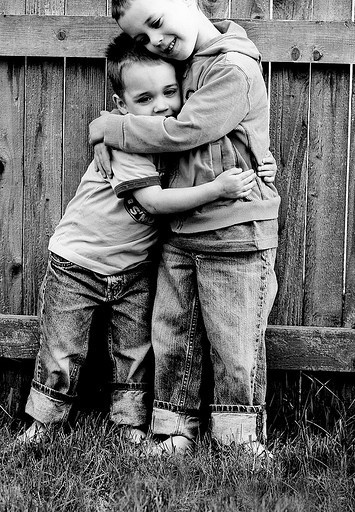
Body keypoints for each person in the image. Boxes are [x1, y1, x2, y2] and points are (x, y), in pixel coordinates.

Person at [16, 34, 258, 446]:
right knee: (63, 349)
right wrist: (216, 190)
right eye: (145, 99)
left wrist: (261, 161)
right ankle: (43, 422)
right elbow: (155, 201)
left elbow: (226, 142)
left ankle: (128, 425)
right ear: (122, 107)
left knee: (135, 351)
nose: (161, 105)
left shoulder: (174, 140)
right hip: (79, 263)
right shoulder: (127, 145)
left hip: (132, 269)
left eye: (170, 92)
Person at [89, 0, 281, 457]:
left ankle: (240, 437)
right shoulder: (182, 63)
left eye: (155, 24)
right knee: (174, 335)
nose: (155, 41)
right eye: (145, 39)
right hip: (180, 230)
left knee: (234, 341)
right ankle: (174, 429)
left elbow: (184, 132)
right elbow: (146, 112)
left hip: (236, 231)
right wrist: (109, 133)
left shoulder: (233, 66)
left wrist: (111, 128)